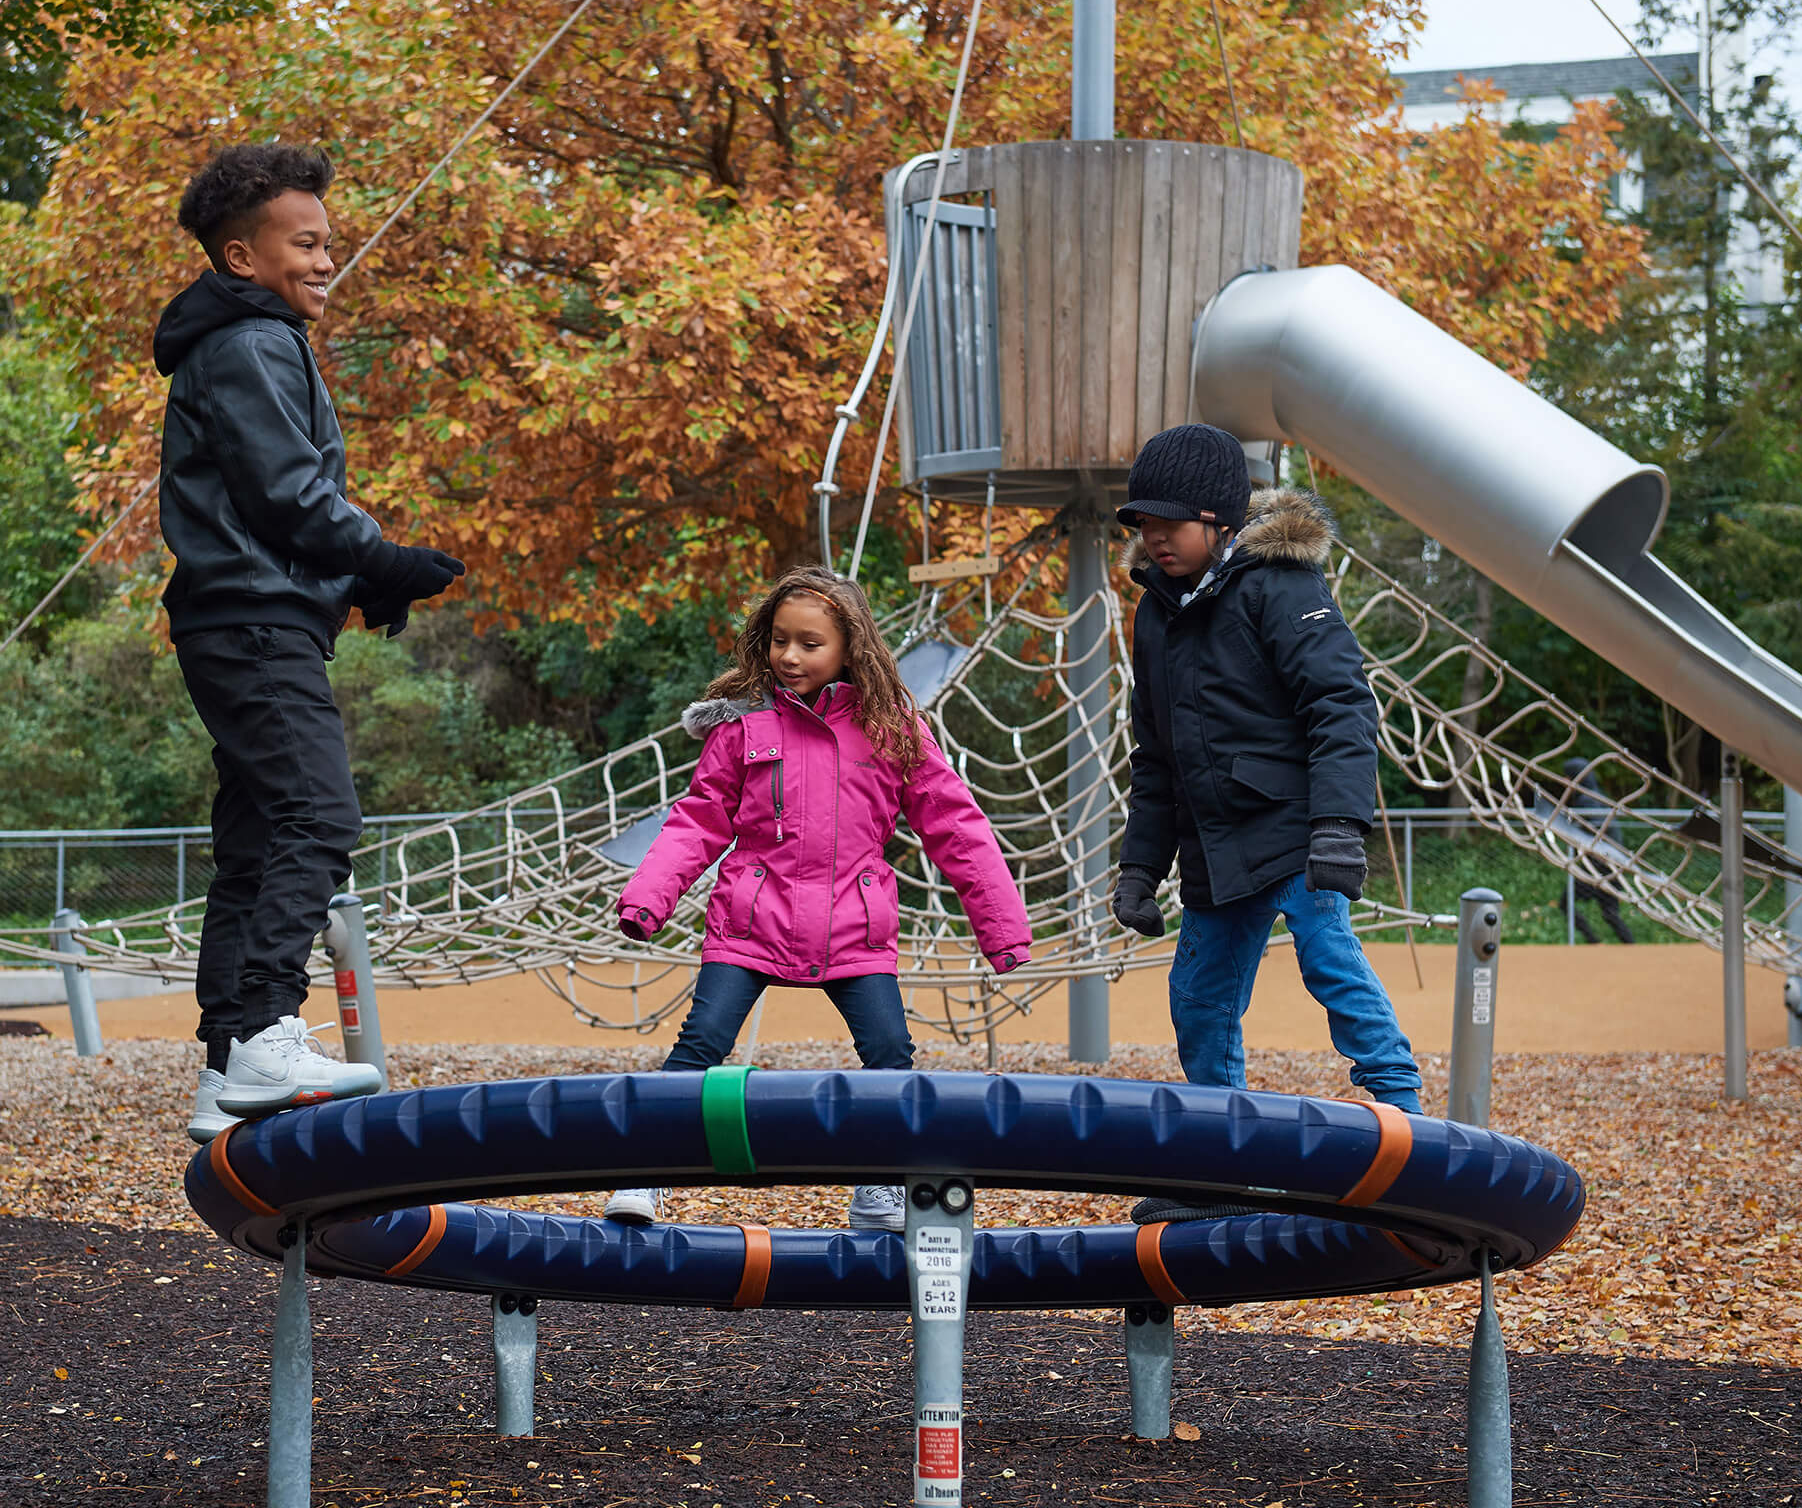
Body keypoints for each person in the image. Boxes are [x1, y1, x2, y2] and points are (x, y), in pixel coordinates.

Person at [155, 143, 466, 1142]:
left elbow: (269, 507)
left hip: (250, 613)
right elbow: (287, 495)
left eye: (331, 240)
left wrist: (351, 585)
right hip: (249, 623)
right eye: (307, 242)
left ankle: (228, 1065)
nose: (329, 257)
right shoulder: (249, 343)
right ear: (242, 258)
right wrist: (381, 560)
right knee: (317, 814)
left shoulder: (251, 334)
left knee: (254, 840)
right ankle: (267, 1031)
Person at [609, 568, 1032, 1232]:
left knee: (890, 1054)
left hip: (852, 928)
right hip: (753, 919)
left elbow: (955, 825)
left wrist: (1001, 929)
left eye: (810, 643)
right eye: (780, 640)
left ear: (849, 648)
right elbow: (698, 819)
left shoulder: (890, 727)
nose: (790, 656)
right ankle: (645, 1179)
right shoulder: (746, 723)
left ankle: (879, 1188)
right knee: (702, 1043)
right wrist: (648, 898)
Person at [1109, 424, 1422, 1215]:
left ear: (1217, 521)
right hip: (1214, 849)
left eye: (1167, 523)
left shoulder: (1280, 585)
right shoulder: (1155, 613)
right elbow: (1157, 755)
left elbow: (1341, 704)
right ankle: (1227, 1165)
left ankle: (1407, 1129)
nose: (1152, 538)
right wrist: (1141, 868)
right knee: (1198, 1001)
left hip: (1294, 832)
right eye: (1142, 524)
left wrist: (1338, 828)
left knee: (1331, 962)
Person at [1562, 756, 1636, 944]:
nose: (1565, 782)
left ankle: (1593, 941)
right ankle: (1628, 944)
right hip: (1607, 864)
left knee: (1566, 904)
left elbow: (1595, 827)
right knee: (1609, 912)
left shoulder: (1588, 799)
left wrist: (1570, 831)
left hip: (1598, 865)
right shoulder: (1594, 795)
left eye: (1568, 777)